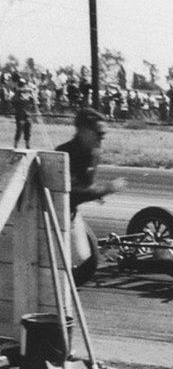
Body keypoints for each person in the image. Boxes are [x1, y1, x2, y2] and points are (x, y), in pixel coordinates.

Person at [56, 108, 127, 284]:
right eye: (98, 133)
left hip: (69, 212)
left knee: (83, 257)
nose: (101, 138)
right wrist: (105, 189)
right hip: (53, 213)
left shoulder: (92, 153)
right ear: (83, 131)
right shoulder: (65, 154)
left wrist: (96, 190)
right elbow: (71, 194)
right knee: (69, 259)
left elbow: (86, 184)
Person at [12, 79, 33, 149]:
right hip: (20, 114)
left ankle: (27, 145)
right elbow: (14, 101)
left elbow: (32, 102)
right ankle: (15, 145)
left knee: (28, 130)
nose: (23, 86)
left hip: (27, 114)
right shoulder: (17, 94)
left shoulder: (28, 94)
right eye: (22, 85)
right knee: (19, 130)